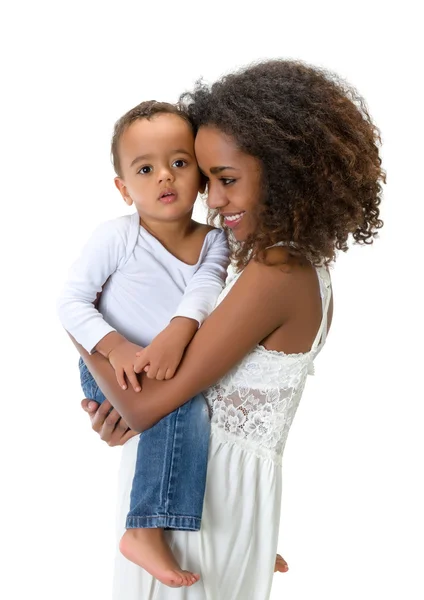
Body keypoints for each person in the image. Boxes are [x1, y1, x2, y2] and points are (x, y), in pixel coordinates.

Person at [74, 59, 384, 599]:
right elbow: (190, 400)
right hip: (198, 495)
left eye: (227, 179)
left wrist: (80, 320)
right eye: (207, 177)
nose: (212, 200)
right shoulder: (281, 265)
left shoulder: (274, 273)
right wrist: (119, 404)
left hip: (195, 514)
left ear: (285, 171)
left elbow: (148, 406)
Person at [57, 100, 230, 587]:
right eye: (145, 168)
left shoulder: (214, 241)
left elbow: (206, 285)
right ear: (122, 187)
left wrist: (177, 333)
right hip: (112, 363)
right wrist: (115, 348)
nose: (165, 178)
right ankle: (145, 527)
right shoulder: (118, 236)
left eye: (179, 163)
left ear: (200, 174)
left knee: (214, 429)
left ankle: (223, 530)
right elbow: (71, 303)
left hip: (170, 364)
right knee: (181, 410)